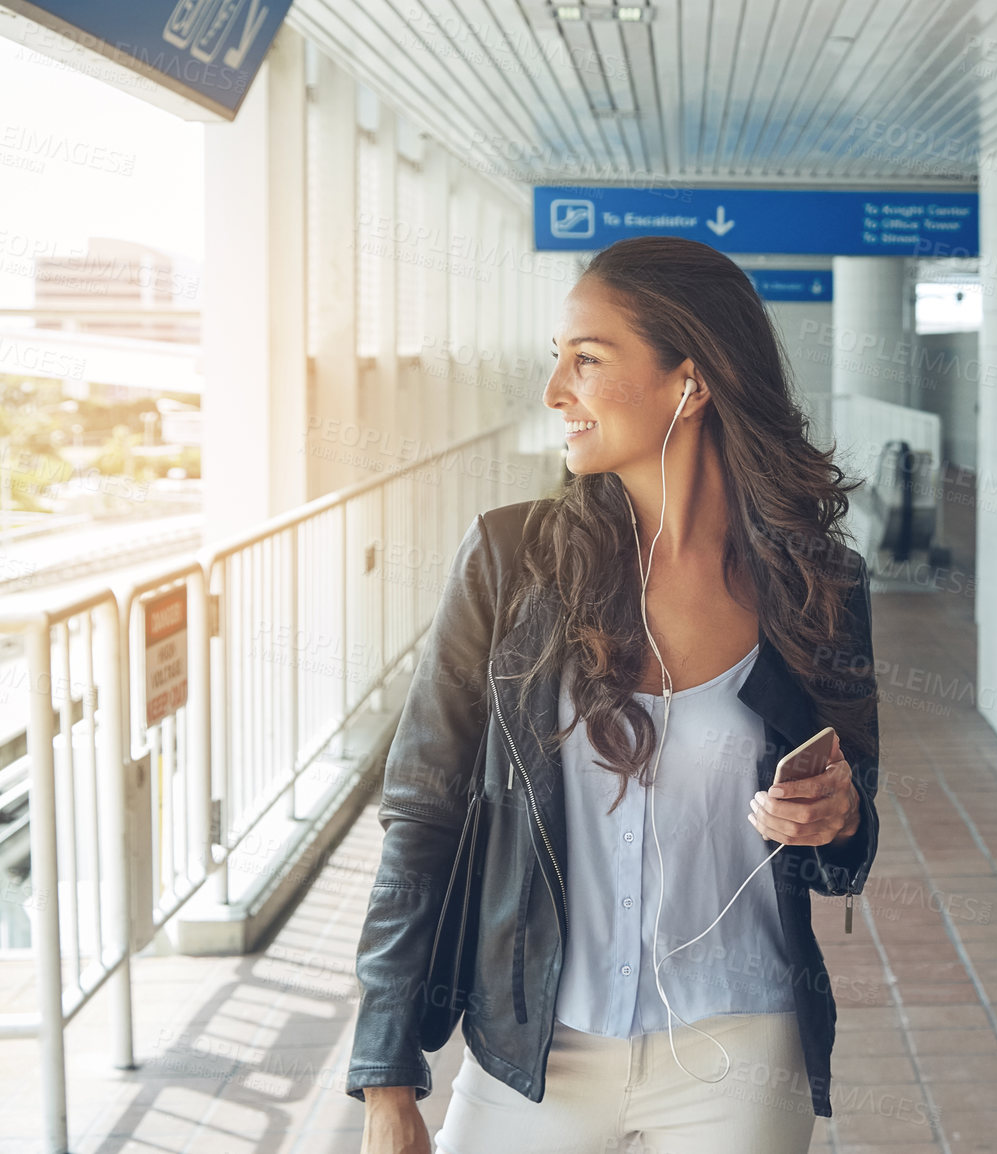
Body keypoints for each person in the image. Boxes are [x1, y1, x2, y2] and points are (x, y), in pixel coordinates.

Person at [347, 235, 881, 1154]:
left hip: (741, 1050)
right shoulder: (510, 562)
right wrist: (386, 1077)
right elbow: (423, 810)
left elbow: (850, 833)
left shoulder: (815, 585)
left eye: (587, 360)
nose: (556, 391)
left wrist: (838, 816)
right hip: (533, 1052)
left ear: (693, 381)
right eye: (558, 359)